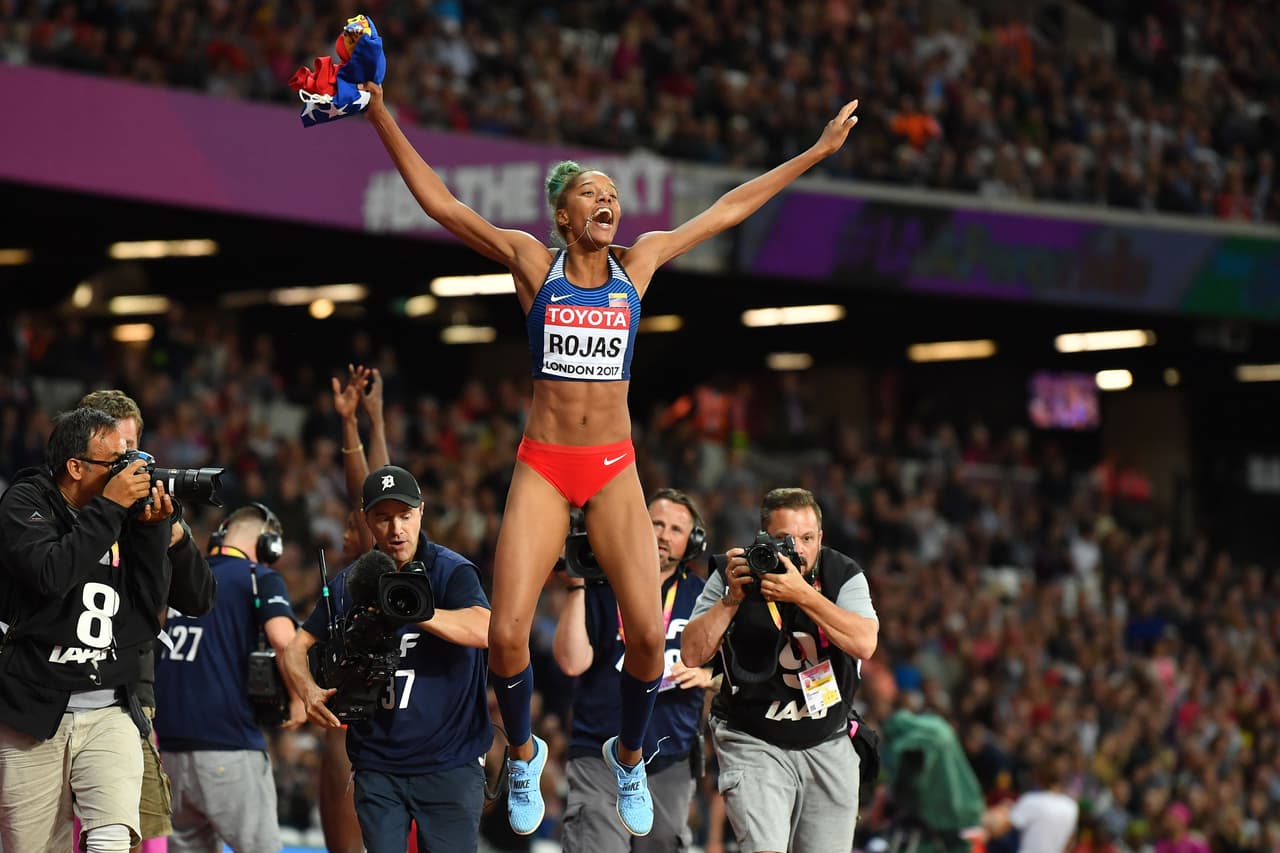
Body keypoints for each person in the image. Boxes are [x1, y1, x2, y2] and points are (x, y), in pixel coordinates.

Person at [357, 72, 860, 838]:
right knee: (506, 633)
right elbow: (442, 204)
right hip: (545, 463)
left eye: (615, 194)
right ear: (564, 215)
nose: (609, 202)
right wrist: (382, 113)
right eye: (594, 193)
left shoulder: (641, 264)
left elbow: (728, 208)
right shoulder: (533, 263)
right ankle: (524, 753)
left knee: (650, 638)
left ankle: (628, 754)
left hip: (614, 465)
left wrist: (814, 153)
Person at [282, 465, 491, 853]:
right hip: (378, 766)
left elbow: (485, 629)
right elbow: (296, 646)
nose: (396, 529)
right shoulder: (350, 582)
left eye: (405, 516)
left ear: (421, 513)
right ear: (367, 521)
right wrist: (307, 692)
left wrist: (418, 611)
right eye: (383, 518)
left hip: (449, 764)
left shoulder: (451, 570)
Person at [0, 407, 174, 853]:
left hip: (109, 706)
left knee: (112, 838)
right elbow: (49, 575)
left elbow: (149, 608)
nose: (128, 470)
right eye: (114, 462)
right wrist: (110, 507)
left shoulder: (123, 514)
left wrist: (153, 532)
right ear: (75, 467)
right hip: (31, 709)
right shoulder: (24, 503)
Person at [680, 487, 879, 853]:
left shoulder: (843, 574)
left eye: (806, 538)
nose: (797, 550)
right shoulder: (735, 571)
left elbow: (865, 642)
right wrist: (730, 601)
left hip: (828, 739)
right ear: (763, 540)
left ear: (821, 538)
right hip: (754, 739)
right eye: (784, 540)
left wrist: (802, 594)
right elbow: (691, 653)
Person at [79, 387, 218, 853]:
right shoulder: (62, 515)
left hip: (130, 697)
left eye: (134, 452)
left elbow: (199, 598)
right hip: (59, 698)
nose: (129, 466)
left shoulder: (152, 518)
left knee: (139, 836)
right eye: (117, 456)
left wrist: (170, 530)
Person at [554, 488, 714, 853]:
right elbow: (571, 661)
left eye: (675, 529)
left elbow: (736, 673)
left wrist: (709, 677)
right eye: (655, 523)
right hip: (598, 750)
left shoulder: (705, 597)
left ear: (693, 541)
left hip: (667, 756)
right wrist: (576, 586)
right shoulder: (601, 581)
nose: (662, 534)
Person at [153, 502, 301, 853]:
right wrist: (298, 699)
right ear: (269, 546)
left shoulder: (184, 574)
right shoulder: (258, 576)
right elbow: (284, 640)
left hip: (170, 750)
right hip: (227, 745)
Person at [322, 363, 391, 853]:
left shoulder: (379, 568)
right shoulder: (342, 581)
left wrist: (364, 421)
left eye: (354, 524)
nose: (350, 531)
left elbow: (378, 492)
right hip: (338, 711)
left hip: (367, 716)